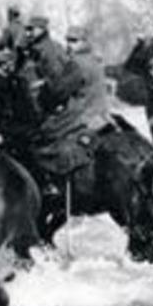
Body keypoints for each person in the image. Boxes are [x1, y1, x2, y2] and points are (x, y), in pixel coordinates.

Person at [28, 25, 110, 200]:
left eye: (74, 41)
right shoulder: (94, 60)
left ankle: (50, 187)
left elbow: (58, 92)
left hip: (81, 116)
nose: (68, 45)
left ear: (85, 42)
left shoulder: (76, 64)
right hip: (101, 114)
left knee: (38, 140)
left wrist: (44, 87)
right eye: (67, 40)